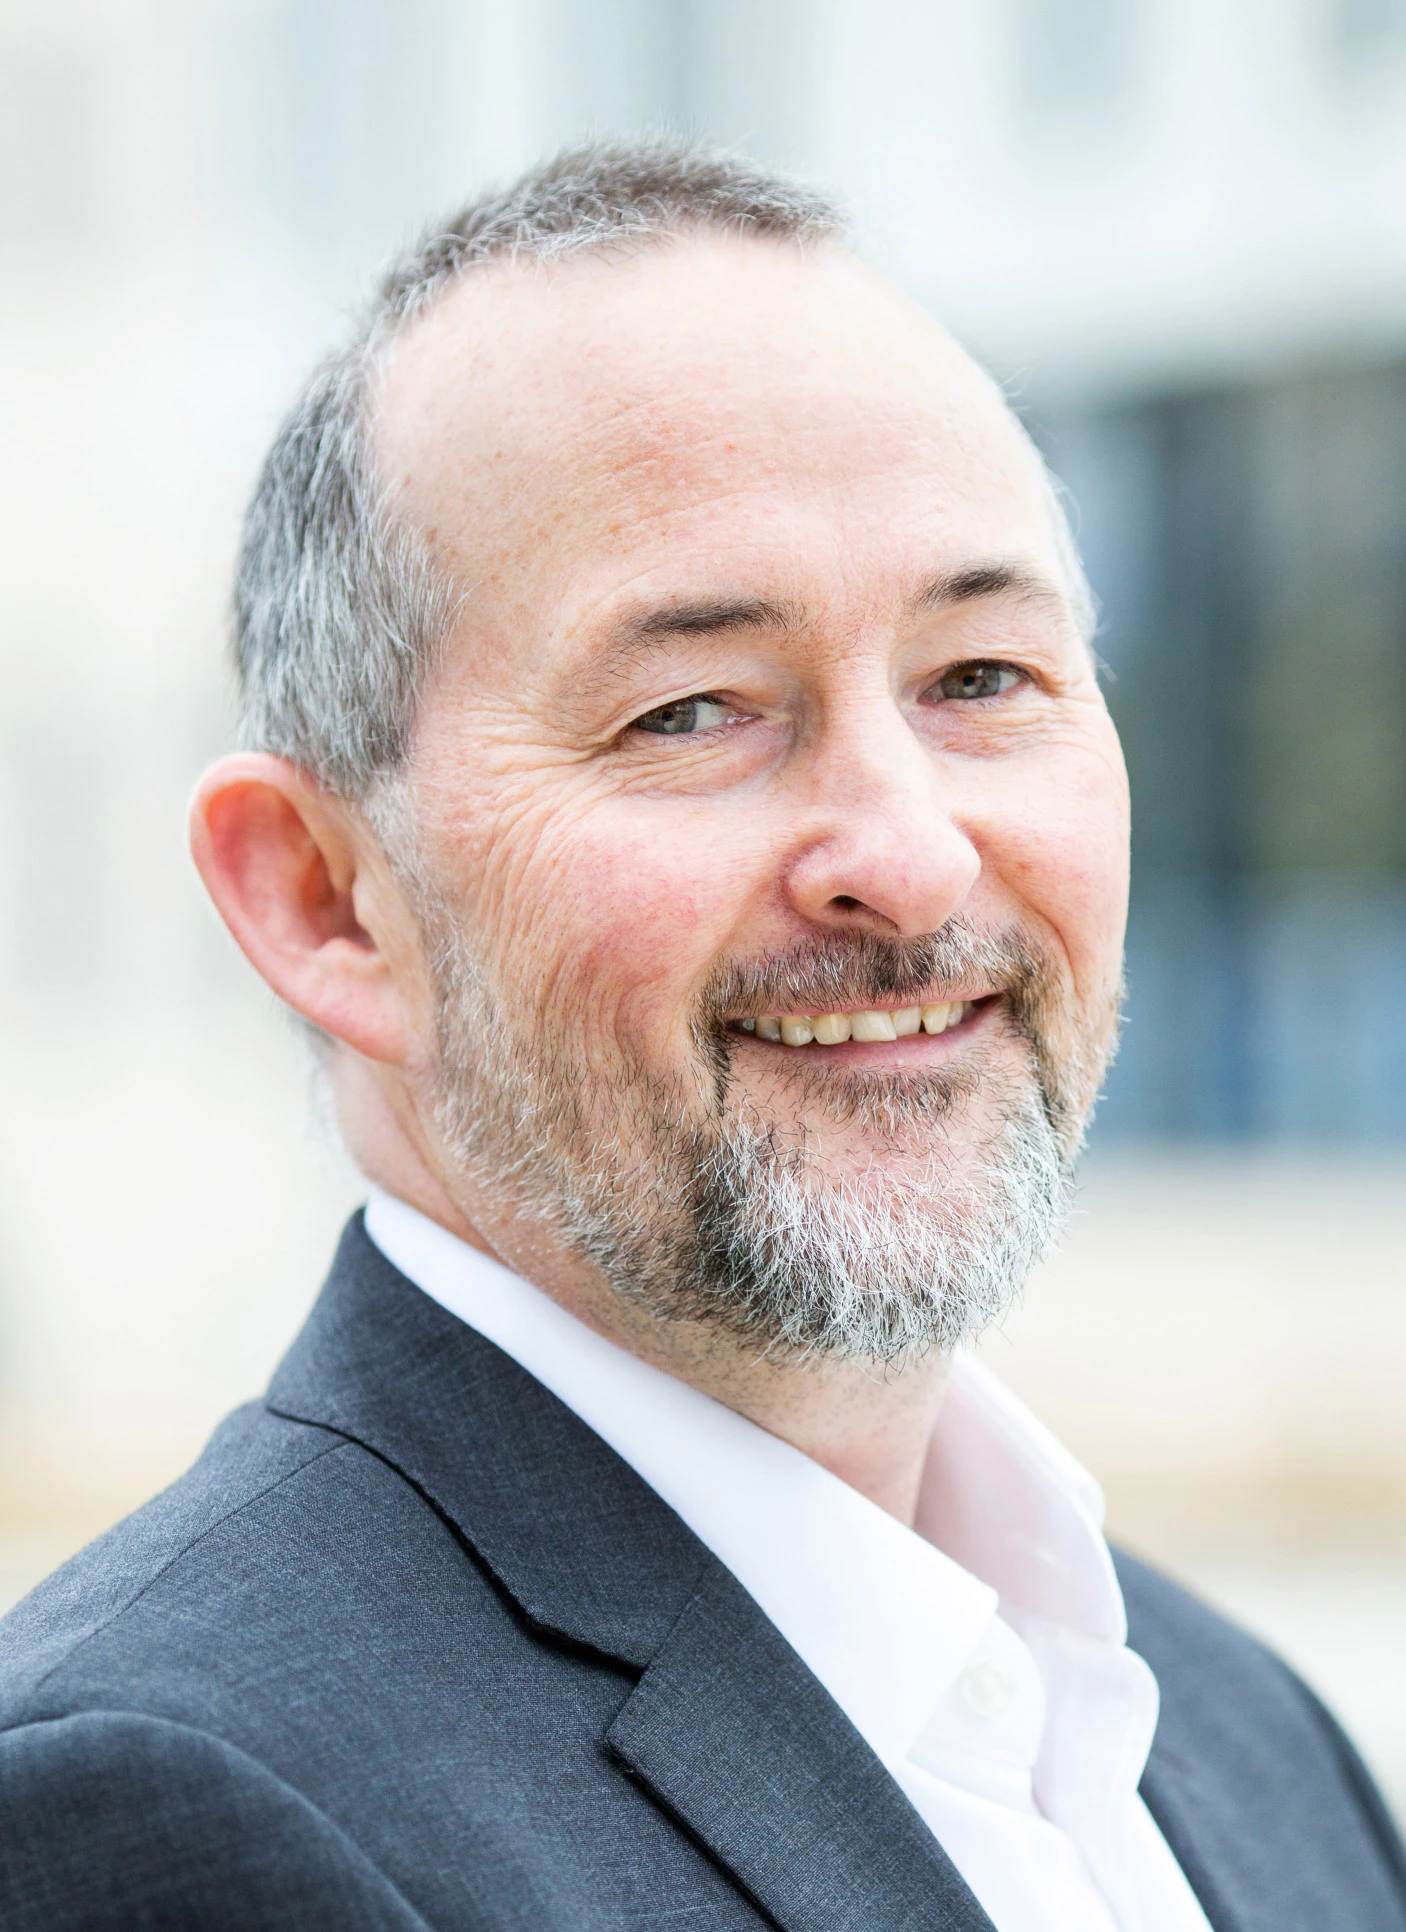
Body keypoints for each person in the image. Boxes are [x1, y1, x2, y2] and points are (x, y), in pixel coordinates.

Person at [1, 140, 1401, 1932]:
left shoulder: (1241, 1737)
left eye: (982, 677)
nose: (907, 857)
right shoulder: (160, 1813)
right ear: (325, 899)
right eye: (690, 712)